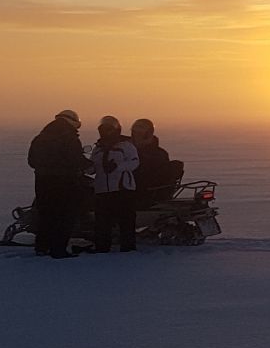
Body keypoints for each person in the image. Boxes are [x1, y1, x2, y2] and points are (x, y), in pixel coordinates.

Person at [28, 109, 91, 258]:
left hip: (42, 182)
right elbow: (76, 159)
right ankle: (59, 249)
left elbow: (31, 161)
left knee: (46, 214)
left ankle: (41, 247)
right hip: (65, 182)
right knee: (65, 215)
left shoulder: (40, 137)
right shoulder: (69, 137)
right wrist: (90, 165)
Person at [89, 115, 140, 253]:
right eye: (103, 129)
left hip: (122, 188)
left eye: (109, 129)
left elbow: (135, 162)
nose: (106, 132)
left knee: (126, 220)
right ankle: (102, 247)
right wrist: (86, 166)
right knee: (102, 221)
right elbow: (93, 167)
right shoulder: (97, 148)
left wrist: (118, 167)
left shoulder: (126, 145)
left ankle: (128, 247)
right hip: (102, 189)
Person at [131, 118, 183, 205]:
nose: (136, 137)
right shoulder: (127, 150)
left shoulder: (158, 154)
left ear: (148, 134)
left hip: (144, 195)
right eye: (134, 133)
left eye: (139, 134)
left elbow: (151, 178)